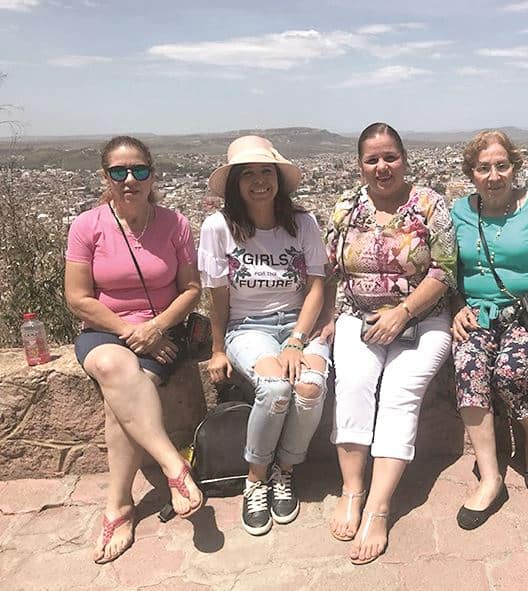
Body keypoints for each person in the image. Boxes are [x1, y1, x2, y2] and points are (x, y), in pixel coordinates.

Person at [322, 122, 456, 564]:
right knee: (354, 387)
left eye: (390, 157)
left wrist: (402, 313)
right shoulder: (345, 208)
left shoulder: (429, 204)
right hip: (358, 318)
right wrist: (327, 319)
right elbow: (329, 271)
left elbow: (444, 270)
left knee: (400, 394)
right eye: (372, 159)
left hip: (422, 318)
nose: (382, 166)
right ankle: (352, 491)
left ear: (405, 158)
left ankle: (379, 509)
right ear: (360, 164)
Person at [65, 136, 203, 564]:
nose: (130, 179)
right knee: (114, 365)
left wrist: (157, 327)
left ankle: (119, 506)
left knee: (119, 394)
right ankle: (174, 467)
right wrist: (131, 330)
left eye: (139, 170)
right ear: (105, 177)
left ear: (152, 175)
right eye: (119, 172)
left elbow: (192, 289)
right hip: (105, 330)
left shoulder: (175, 224)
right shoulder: (87, 225)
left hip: (164, 333)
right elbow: (78, 297)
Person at [199, 136, 329, 536]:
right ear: (236, 182)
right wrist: (218, 349)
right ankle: (255, 478)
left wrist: (296, 339)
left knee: (309, 388)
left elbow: (317, 287)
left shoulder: (302, 223)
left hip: (299, 323)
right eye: (248, 173)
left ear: (279, 178)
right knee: (275, 390)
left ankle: (284, 470)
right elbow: (217, 297)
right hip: (248, 327)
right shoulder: (218, 227)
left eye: (266, 171)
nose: (259, 181)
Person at [450, 130, 528, 529]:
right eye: (483, 167)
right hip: (478, 314)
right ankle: (491, 478)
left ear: (514, 168)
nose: (493, 175)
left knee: (510, 370)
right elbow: (446, 270)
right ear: (471, 173)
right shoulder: (459, 212)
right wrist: (455, 307)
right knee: (469, 367)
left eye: (501, 166)